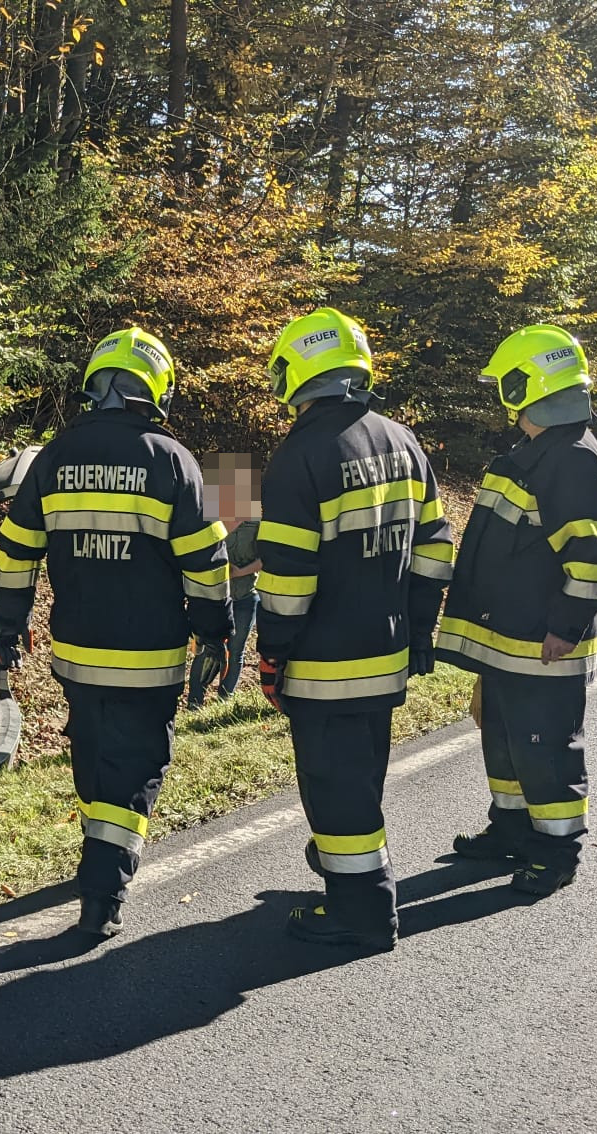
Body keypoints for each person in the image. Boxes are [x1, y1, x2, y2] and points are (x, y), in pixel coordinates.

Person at [0, 327, 232, 938]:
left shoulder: (55, 456)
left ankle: (97, 861)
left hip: (75, 653)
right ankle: (103, 893)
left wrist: (8, 623)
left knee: (96, 760)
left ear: (95, 386)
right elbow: (205, 563)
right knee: (135, 768)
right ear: (156, 390)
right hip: (149, 657)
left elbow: (16, 551)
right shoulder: (171, 460)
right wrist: (214, 632)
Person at [254, 308, 454, 952]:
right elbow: (434, 549)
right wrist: (420, 628)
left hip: (322, 661)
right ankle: (352, 879)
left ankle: (362, 912)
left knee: (335, 789)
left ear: (299, 371)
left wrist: (271, 653)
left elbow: (287, 578)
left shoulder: (299, 457)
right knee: (360, 778)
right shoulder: (403, 441)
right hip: (386, 651)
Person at [435, 324, 597, 897]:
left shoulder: (572, 459)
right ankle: (509, 828)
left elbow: (591, 557)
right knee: (507, 743)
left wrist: (567, 627)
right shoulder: (535, 452)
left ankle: (556, 851)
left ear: (523, 385)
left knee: (545, 752)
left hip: (543, 642)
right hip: (510, 639)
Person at [187, 454, 260, 708]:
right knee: (205, 650)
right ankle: (194, 704)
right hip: (213, 595)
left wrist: (242, 572)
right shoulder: (210, 517)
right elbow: (204, 545)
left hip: (245, 593)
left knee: (237, 652)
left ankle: (224, 705)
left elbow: (267, 556)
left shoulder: (258, 518)